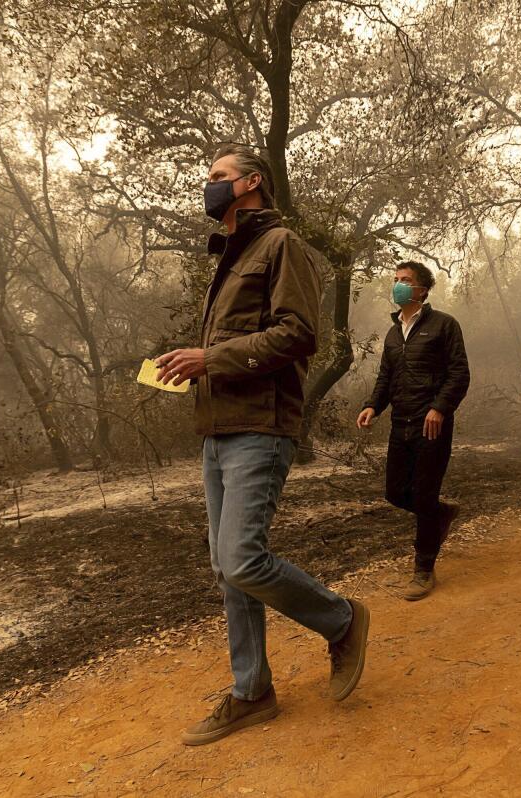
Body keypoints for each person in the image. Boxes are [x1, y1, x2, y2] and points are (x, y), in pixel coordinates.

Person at [156, 143, 369, 746]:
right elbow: (238, 342)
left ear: (252, 182)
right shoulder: (230, 255)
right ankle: (252, 692)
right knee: (229, 570)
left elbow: (300, 335)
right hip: (218, 430)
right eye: (209, 177)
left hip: (261, 427)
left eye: (220, 176)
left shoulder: (281, 246)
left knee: (244, 559)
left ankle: (343, 619)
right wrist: (194, 365)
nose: (210, 185)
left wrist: (210, 356)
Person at [357, 261, 470, 601]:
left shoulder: (444, 325)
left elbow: (459, 374)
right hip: (400, 423)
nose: (398, 286)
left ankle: (423, 569)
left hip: (431, 424)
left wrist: (439, 407)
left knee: (422, 496)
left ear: (422, 289)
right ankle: (441, 513)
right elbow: (386, 379)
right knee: (394, 492)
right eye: (395, 280)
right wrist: (373, 406)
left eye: (405, 281)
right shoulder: (394, 332)